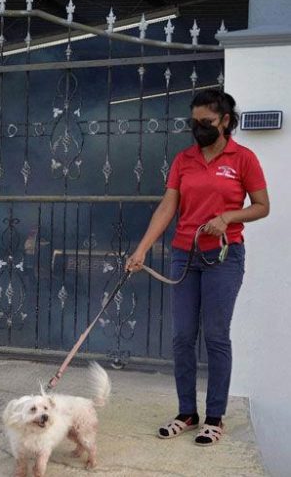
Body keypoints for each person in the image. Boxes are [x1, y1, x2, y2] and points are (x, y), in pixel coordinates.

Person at [126, 89, 269, 446]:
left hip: (224, 256)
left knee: (216, 335)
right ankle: (186, 413)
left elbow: (262, 205)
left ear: (224, 120)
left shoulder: (243, 159)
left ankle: (215, 418)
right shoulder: (184, 159)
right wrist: (141, 250)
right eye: (194, 122)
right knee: (182, 336)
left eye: (205, 122)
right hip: (184, 255)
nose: (198, 128)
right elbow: (167, 207)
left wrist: (228, 217)